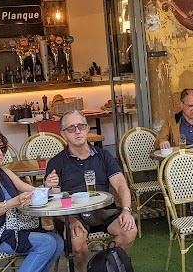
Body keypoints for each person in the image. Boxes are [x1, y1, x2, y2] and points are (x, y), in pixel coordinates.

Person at [0, 126, 64, 272]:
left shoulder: (4, 172)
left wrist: (46, 185)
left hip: (10, 228)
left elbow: (31, 190)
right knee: (46, 243)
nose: (0, 153)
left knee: (58, 242)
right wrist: (16, 201)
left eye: (2, 148)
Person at [46, 110, 137, 272]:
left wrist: (126, 210)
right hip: (72, 215)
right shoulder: (56, 163)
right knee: (77, 242)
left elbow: (121, 185)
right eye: (71, 128)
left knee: (130, 230)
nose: (78, 131)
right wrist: (70, 220)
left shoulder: (103, 156)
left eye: (81, 126)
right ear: (63, 134)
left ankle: (103, 265)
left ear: (88, 128)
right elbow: (54, 199)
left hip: (102, 212)